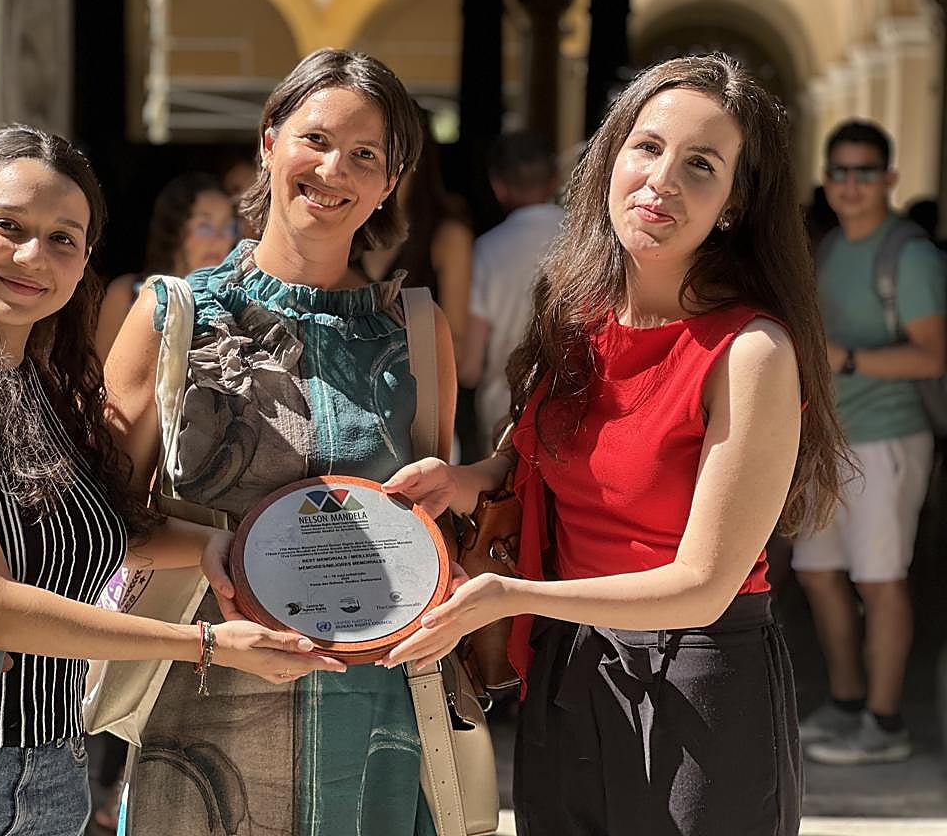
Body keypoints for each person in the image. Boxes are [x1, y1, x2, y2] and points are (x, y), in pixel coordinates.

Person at [381, 54, 848, 835]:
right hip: (570, 668)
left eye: (701, 165)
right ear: (610, 161)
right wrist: (467, 478)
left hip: (698, 684)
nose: (662, 180)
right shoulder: (577, 315)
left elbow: (703, 585)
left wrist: (514, 598)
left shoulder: (752, 352)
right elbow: (532, 457)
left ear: (733, 204)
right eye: (648, 147)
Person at [0, 124, 342, 836]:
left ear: (83, 264)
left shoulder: (45, 388)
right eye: (8, 227)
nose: (32, 256)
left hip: (54, 771)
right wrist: (202, 645)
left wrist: (219, 545)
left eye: (62, 239)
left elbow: (96, 533)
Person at [104, 49, 459, 835]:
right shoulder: (172, 317)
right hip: (202, 710)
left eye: (365, 155)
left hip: (370, 723)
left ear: (390, 183)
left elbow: (439, 522)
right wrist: (204, 547)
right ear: (270, 142)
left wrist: (446, 558)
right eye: (316, 140)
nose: (335, 170)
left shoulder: (416, 332)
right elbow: (102, 520)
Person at [793, 120, 947, 765]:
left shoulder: (910, 256)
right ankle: (848, 702)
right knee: (817, 572)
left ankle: (885, 723)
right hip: (833, 439)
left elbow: (934, 355)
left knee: (881, 581)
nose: (850, 185)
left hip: (888, 438)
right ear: (826, 180)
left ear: (889, 179)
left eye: (864, 172)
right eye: (840, 172)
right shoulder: (831, 248)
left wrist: (847, 359)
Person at [460, 130, 564, 453]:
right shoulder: (589, 239)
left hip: (503, 421)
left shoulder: (486, 250)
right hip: (576, 410)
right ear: (556, 177)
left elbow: (469, 367)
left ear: (497, 185)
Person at [357, 107, 474, 359]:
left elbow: (457, 346)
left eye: (397, 155)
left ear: (419, 160)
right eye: (367, 153)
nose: (385, 168)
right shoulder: (346, 223)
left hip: (416, 379)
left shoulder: (448, 236)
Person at [95, 172, 235, 360]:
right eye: (205, 225)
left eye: (228, 226)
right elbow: (100, 374)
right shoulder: (126, 294)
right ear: (176, 229)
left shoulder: (234, 303)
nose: (219, 239)